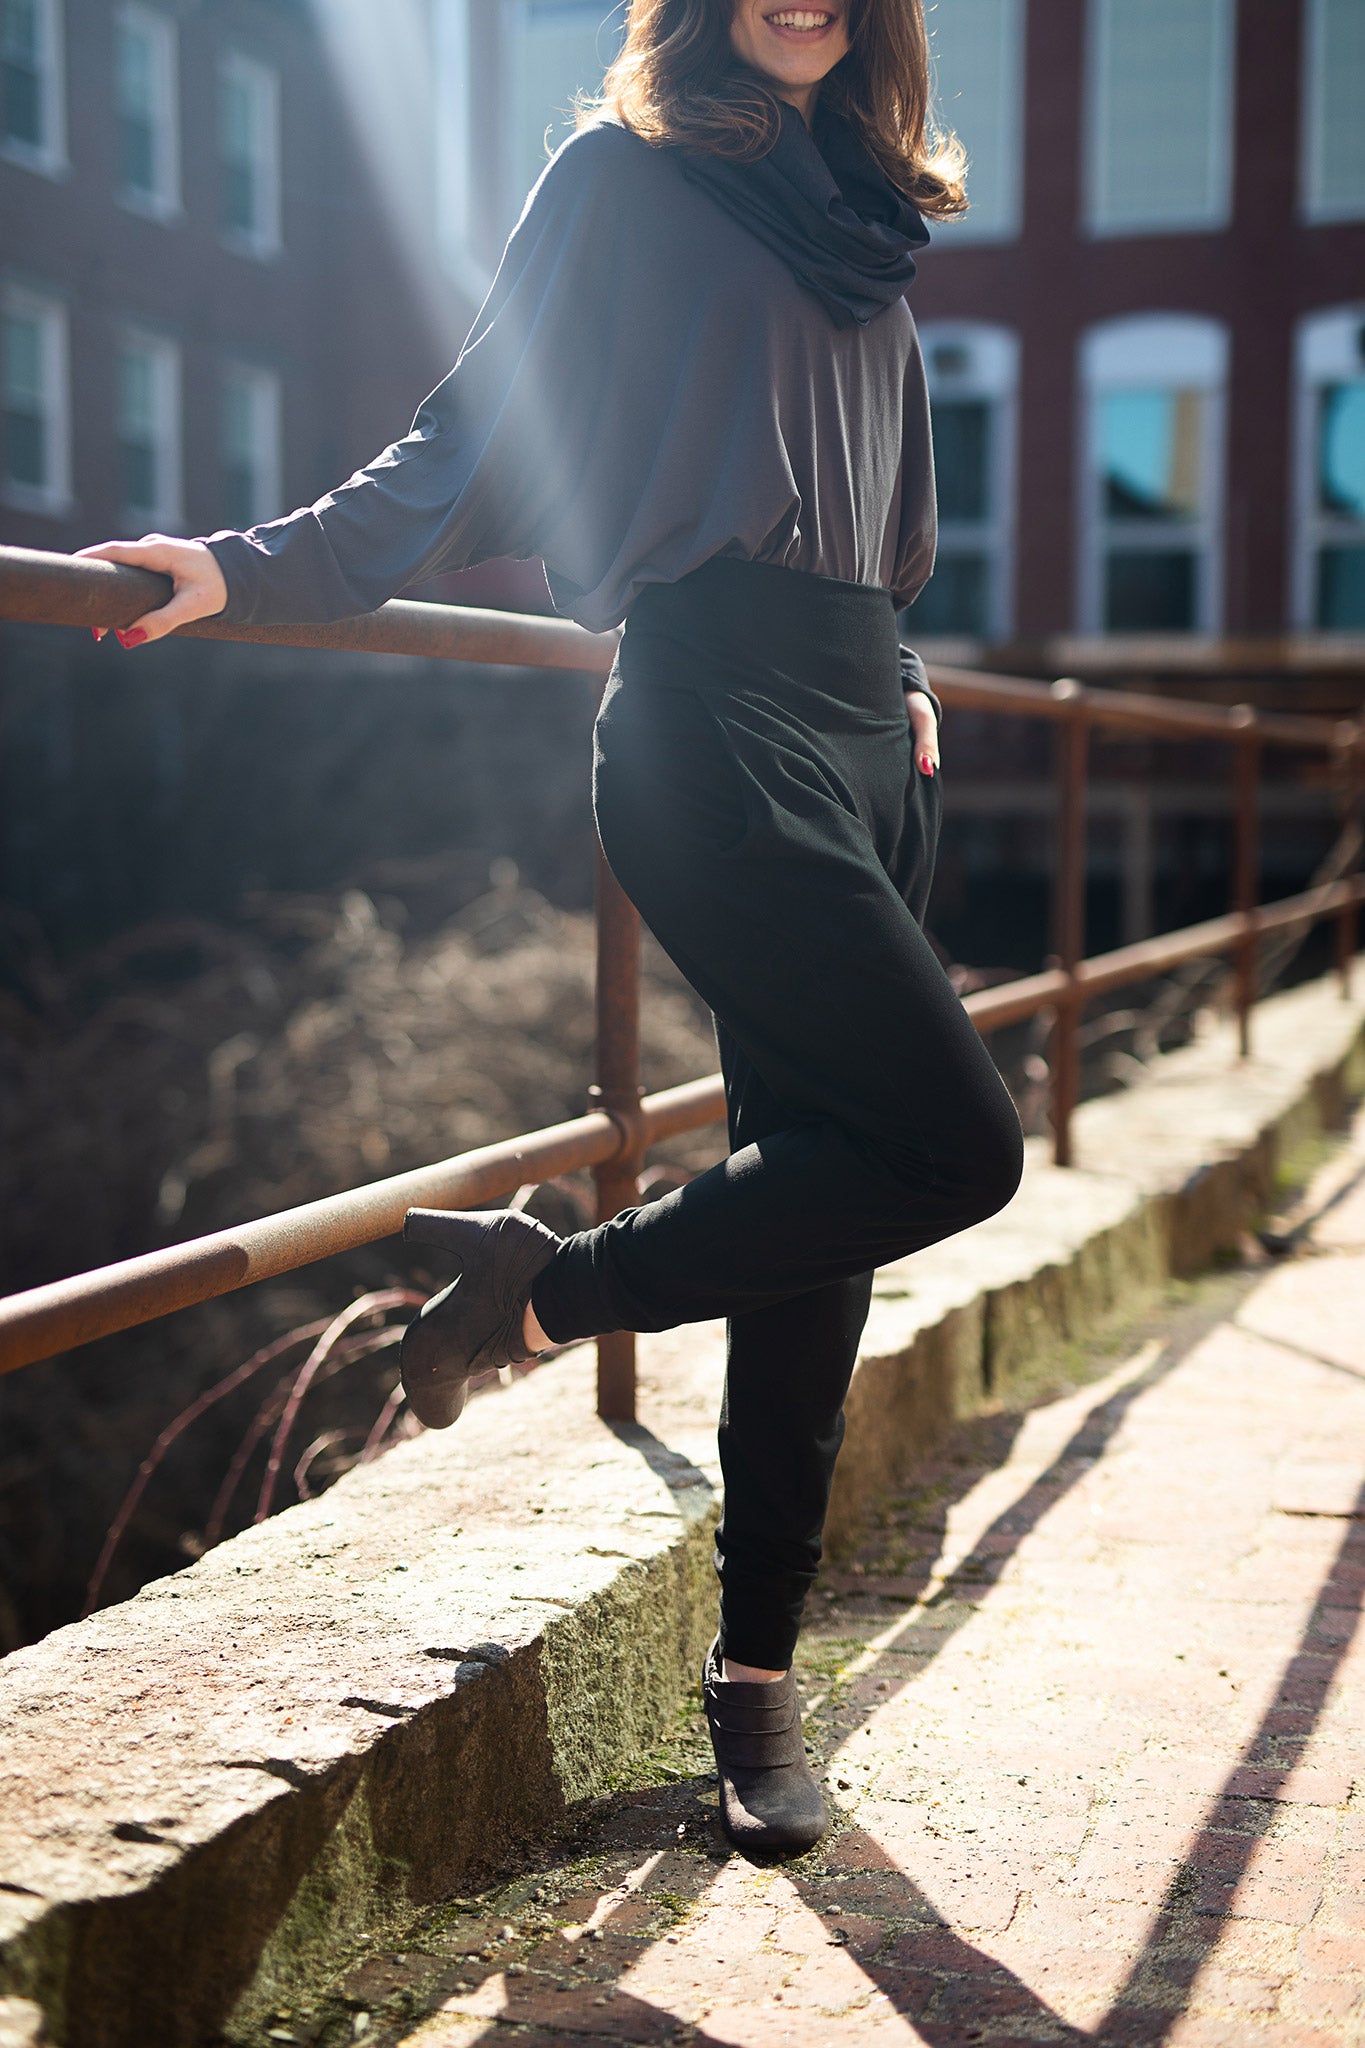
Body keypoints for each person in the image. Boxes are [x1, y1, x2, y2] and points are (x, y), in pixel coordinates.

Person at [85, 0, 1024, 1857]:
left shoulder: (860, 202)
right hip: (713, 725)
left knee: (823, 1196)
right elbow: (471, 428)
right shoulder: (625, 175)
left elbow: (852, 476)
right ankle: (541, 1291)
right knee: (952, 1147)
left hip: (864, 730)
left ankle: (754, 1689)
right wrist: (244, 570)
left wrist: (898, 662)